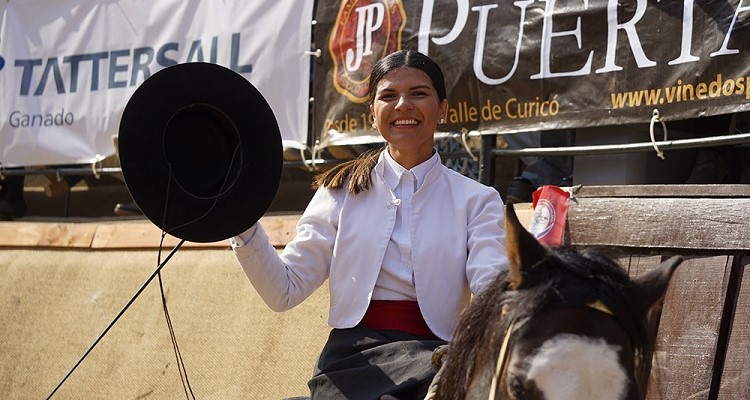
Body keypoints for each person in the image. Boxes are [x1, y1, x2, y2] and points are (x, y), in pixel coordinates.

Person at [231, 50, 508, 400]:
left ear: (443, 109)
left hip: (438, 358)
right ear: (373, 115)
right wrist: (241, 224)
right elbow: (284, 292)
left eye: (419, 93)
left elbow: (491, 289)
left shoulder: (478, 199)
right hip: (350, 362)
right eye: (389, 96)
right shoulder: (339, 191)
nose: (404, 105)